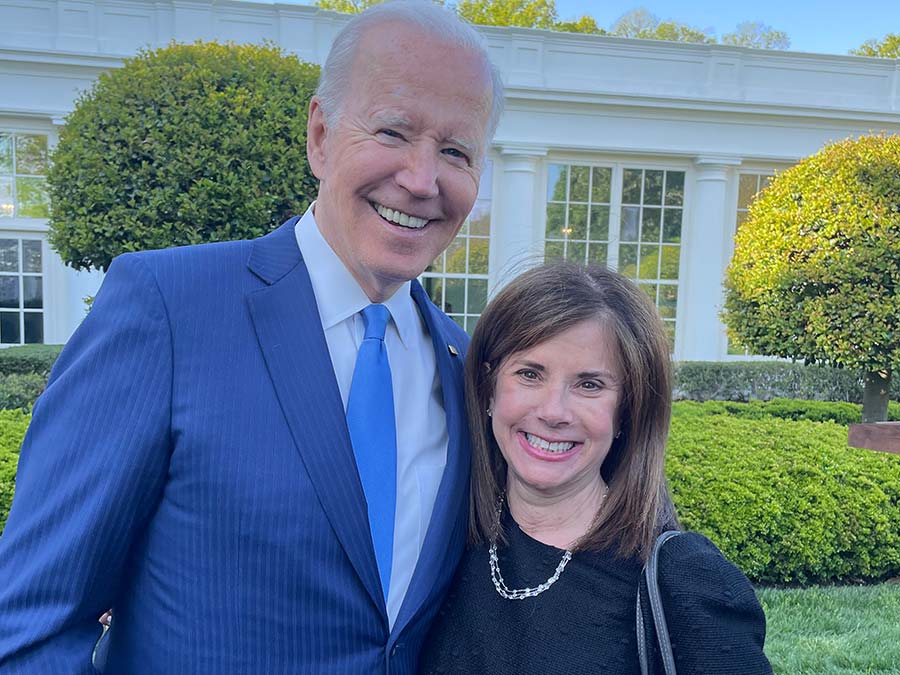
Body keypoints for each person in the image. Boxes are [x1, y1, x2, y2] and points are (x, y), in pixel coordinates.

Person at [0, 2, 502, 672]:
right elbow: (32, 625)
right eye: (391, 131)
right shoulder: (167, 311)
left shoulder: (468, 366)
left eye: (455, 151)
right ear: (320, 136)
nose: (421, 179)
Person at [419, 262, 772, 674]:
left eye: (590, 385)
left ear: (627, 411)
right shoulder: (447, 536)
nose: (554, 412)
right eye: (530, 374)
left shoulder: (685, 584)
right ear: (488, 390)